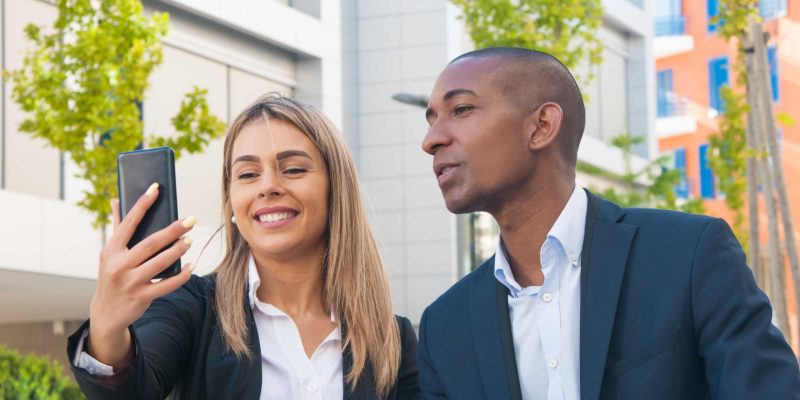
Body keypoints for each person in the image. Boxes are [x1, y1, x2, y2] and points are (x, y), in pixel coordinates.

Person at [416, 46, 800, 399]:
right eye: (431, 119)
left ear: (542, 125)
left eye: (461, 109)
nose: (431, 140)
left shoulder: (688, 256)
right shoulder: (444, 327)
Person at [67, 94, 420, 399]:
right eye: (248, 175)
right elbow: (132, 392)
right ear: (232, 200)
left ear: (335, 190)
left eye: (294, 169)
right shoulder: (192, 307)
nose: (267, 186)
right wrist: (107, 327)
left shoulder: (392, 339)